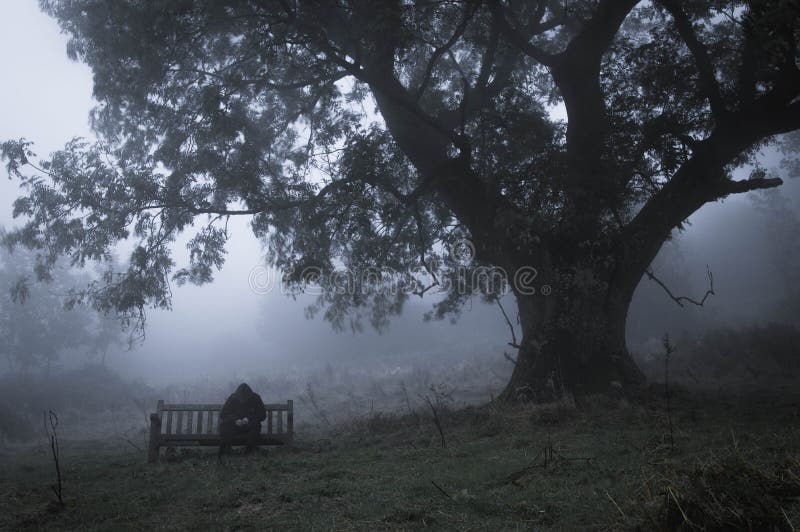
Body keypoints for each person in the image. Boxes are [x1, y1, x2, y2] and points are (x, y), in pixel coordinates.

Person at [218, 383, 267, 456]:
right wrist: (235, 420)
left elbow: (262, 414)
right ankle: (226, 449)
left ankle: (249, 450)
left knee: (255, 424)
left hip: (250, 426)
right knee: (225, 424)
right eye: (241, 399)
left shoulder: (255, 398)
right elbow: (223, 414)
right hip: (234, 426)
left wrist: (249, 419)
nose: (243, 401)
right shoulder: (233, 398)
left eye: (245, 399)